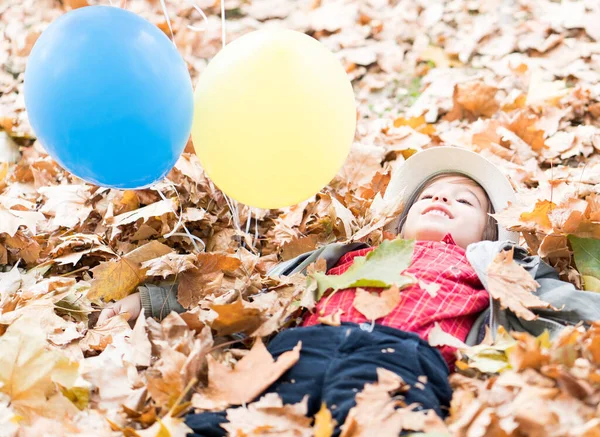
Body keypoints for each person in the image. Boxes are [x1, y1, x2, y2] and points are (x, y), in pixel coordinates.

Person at [98, 147, 600, 436]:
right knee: (229, 420)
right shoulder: (350, 254)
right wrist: (153, 301)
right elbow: (247, 288)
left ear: (490, 233)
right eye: (430, 195)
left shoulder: (492, 265)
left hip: (403, 354)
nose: (443, 197)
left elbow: (561, 305)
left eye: (464, 199)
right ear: (399, 223)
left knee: (383, 424)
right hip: (299, 350)